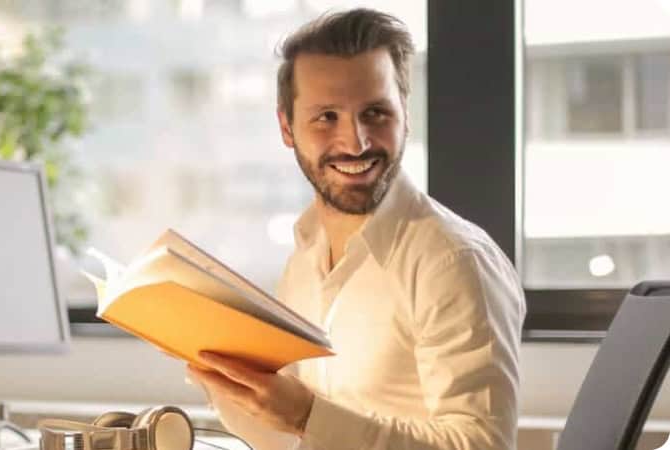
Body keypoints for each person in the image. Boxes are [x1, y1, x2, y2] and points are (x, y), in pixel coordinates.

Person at [186, 8, 526, 450]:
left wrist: (308, 415)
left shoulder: (453, 260)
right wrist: (219, 372)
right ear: (287, 128)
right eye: (326, 117)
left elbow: (483, 446)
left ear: (405, 112)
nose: (356, 142)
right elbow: (288, 438)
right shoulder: (306, 256)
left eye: (375, 113)